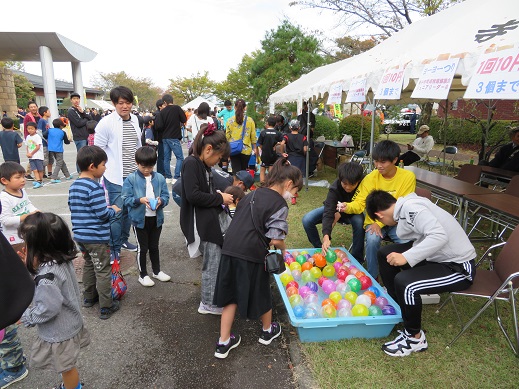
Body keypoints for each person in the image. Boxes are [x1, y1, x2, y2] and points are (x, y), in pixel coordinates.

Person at [365, 190, 476, 357]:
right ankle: (398, 310)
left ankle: (414, 338)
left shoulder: (412, 208)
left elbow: (439, 236)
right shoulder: (405, 208)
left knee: (406, 283)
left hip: (458, 267)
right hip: (437, 257)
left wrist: (406, 257)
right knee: (385, 254)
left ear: (379, 215)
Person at [213, 158, 303, 359]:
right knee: (262, 291)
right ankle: (267, 331)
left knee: (230, 296)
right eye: (295, 192)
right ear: (289, 184)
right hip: (251, 252)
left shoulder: (252, 193)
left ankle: (223, 342)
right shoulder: (279, 203)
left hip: (229, 248)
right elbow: (275, 238)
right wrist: (284, 251)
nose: (292, 197)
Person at [19, 212, 91, 388]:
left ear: (39, 248)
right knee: (67, 366)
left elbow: (48, 308)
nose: (25, 247)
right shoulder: (59, 260)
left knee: (67, 368)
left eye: (27, 244)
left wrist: (27, 317)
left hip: (60, 332)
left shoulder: (47, 276)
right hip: (71, 322)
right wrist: (32, 267)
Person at [340, 140, 416, 278]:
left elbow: (401, 207)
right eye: (376, 161)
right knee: (372, 239)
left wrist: (379, 223)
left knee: (407, 243)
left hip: (396, 222)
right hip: (373, 222)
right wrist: (347, 206)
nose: (378, 166)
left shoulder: (407, 177)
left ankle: (409, 277)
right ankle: (372, 276)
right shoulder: (370, 178)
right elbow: (359, 203)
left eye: (383, 162)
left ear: (395, 160)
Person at [180, 123, 234, 315]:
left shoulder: (202, 164)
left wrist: (217, 196)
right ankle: (208, 303)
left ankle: (214, 297)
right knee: (212, 262)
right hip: (200, 222)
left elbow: (204, 192)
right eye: (219, 157)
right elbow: (193, 195)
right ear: (208, 149)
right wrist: (220, 198)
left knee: (215, 260)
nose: (218, 161)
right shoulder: (191, 163)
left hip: (208, 219)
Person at [68, 146, 121, 320]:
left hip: (80, 236)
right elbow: (103, 215)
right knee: (103, 269)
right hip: (96, 238)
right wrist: (113, 209)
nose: (105, 168)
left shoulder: (74, 185)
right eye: (103, 164)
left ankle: (89, 297)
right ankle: (106, 305)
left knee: (90, 264)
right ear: (92, 166)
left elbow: (74, 207)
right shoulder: (94, 188)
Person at [0, 161, 37, 388]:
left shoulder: (21, 192)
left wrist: (33, 213)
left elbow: (28, 206)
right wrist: (25, 217)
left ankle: (14, 365)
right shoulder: (4, 198)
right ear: (4, 181)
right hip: (12, 241)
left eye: (24, 176)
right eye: (18, 177)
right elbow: (6, 220)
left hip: (21, 241)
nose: (23, 180)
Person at [94, 86, 142, 260]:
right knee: (116, 213)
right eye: (121, 103)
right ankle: (113, 249)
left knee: (130, 210)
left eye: (128, 102)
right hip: (115, 176)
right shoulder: (106, 123)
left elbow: (137, 145)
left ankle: (123, 240)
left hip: (133, 175)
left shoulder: (136, 120)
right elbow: (97, 150)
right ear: (114, 104)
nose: (125, 106)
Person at [122, 146, 170, 287]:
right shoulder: (131, 179)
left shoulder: (160, 178)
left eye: (150, 167)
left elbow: (166, 196)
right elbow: (125, 198)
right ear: (137, 163)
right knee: (143, 248)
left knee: (154, 246)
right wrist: (139, 200)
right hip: (139, 220)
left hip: (156, 218)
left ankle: (156, 271)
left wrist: (161, 201)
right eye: (143, 167)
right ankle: (143, 275)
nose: (147, 170)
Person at [302, 162, 365, 260]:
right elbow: (328, 211)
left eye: (352, 184)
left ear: (358, 181)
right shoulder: (335, 188)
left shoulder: (364, 184)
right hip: (335, 209)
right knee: (307, 219)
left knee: (359, 222)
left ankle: (357, 258)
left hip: (354, 212)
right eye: (345, 184)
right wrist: (326, 236)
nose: (348, 187)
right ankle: (321, 248)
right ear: (340, 180)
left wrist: (340, 213)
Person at [172, 168, 254, 207]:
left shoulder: (228, 178)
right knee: (194, 214)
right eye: (244, 189)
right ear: (240, 183)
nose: (243, 191)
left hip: (184, 185)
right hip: (180, 191)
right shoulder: (226, 186)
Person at [154, 94, 186, 184]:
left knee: (166, 158)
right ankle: (176, 177)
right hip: (174, 136)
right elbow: (184, 119)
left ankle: (168, 177)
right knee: (180, 157)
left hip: (164, 137)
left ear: (164, 102)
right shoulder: (177, 108)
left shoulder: (162, 112)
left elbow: (159, 126)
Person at [225, 99, 257, 173]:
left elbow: (227, 136)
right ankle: (242, 184)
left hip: (233, 148)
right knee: (243, 171)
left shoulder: (230, 121)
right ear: (245, 108)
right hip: (246, 150)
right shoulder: (250, 120)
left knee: (235, 172)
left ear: (235, 107)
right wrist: (255, 148)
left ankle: (235, 183)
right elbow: (253, 136)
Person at [258, 115, 284, 184]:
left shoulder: (263, 132)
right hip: (273, 154)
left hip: (265, 153)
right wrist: (276, 144)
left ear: (267, 123)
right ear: (275, 124)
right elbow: (283, 141)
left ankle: (262, 182)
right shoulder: (277, 133)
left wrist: (262, 148)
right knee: (271, 168)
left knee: (263, 169)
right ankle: (270, 183)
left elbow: (260, 144)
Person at [283, 119, 308, 188]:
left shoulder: (286, 136)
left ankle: (290, 184)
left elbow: (282, 143)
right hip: (300, 157)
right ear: (299, 128)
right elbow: (305, 149)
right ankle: (298, 185)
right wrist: (304, 154)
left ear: (290, 128)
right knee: (299, 173)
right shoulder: (303, 137)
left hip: (290, 156)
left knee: (290, 172)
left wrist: (282, 153)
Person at [48, 118, 72, 183]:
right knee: (59, 163)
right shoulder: (62, 132)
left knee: (61, 162)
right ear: (61, 126)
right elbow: (67, 142)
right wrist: (69, 140)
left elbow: (44, 135)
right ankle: (53, 177)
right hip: (58, 149)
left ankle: (67, 175)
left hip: (51, 149)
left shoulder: (49, 130)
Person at [25, 122, 44, 188]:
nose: (30, 130)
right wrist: (28, 153)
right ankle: (38, 180)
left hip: (38, 156)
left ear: (35, 129)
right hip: (31, 157)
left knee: (40, 169)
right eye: (28, 129)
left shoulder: (37, 137)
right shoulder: (27, 137)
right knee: (34, 169)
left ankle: (40, 181)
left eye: (32, 129)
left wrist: (31, 153)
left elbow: (37, 147)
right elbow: (27, 146)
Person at [37, 106, 53, 178]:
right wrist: (45, 139)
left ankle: (50, 172)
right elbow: (39, 131)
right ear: (44, 113)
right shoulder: (41, 120)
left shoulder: (46, 121)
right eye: (48, 111)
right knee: (45, 158)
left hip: (48, 143)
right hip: (44, 143)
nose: (50, 113)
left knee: (50, 158)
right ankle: (42, 173)